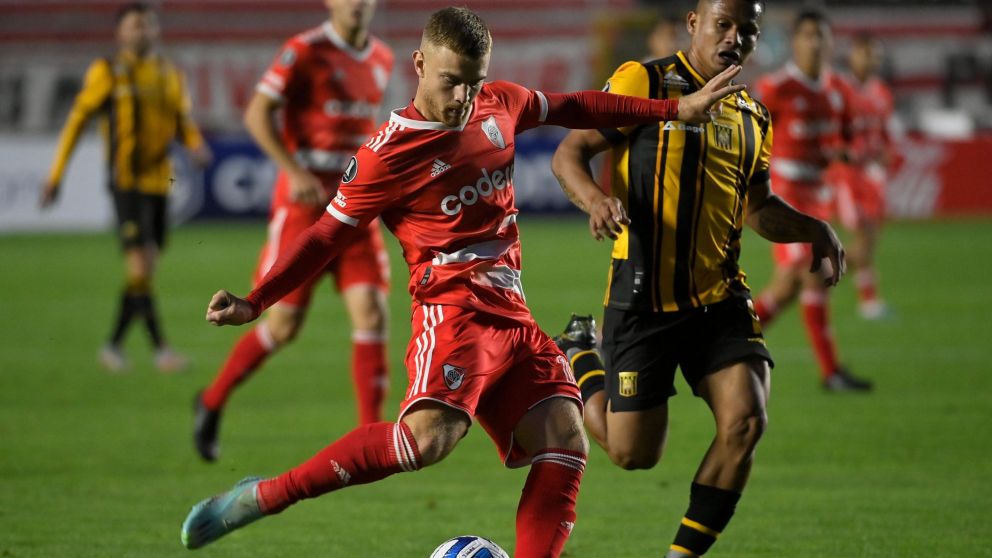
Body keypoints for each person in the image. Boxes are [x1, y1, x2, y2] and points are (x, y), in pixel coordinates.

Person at [179, 7, 744, 555]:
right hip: (453, 313)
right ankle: (266, 496)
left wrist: (673, 109)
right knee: (426, 442)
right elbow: (326, 235)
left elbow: (574, 105)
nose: (462, 98)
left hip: (513, 316)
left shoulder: (498, 104)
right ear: (419, 64)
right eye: (451, 82)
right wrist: (256, 301)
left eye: (473, 82)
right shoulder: (387, 154)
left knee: (566, 440)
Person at [551, 0, 847, 556]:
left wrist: (813, 227)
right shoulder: (645, 82)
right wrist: (595, 200)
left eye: (747, 30)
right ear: (695, 24)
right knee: (633, 453)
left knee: (746, 422)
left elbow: (758, 208)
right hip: (644, 297)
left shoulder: (753, 117)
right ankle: (579, 354)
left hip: (719, 298)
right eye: (723, 24)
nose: (735, 38)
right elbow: (571, 152)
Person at [191, 0, 394, 462]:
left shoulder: (382, 57)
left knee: (372, 313)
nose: (357, 3)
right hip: (304, 206)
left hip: (355, 203)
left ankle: (370, 440)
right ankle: (212, 400)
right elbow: (256, 113)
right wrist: (293, 169)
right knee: (282, 326)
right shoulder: (305, 50)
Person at [40, 2, 211, 373]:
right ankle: (161, 350)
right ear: (120, 33)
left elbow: (181, 120)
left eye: (148, 25)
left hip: (160, 183)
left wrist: (195, 144)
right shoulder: (107, 71)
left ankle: (113, 346)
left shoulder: (169, 72)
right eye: (135, 25)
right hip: (126, 182)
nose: (143, 31)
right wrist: (56, 175)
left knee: (144, 272)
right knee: (139, 266)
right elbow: (76, 123)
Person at [750, 9, 872, 391]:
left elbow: (850, 137)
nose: (815, 43)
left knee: (792, 286)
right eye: (807, 35)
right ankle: (830, 372)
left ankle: (727, 343)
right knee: (807, 272)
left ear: (831, 42)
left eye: (821, 35)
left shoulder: (839, 89)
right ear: (794, 42)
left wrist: (847, 152)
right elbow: (749, 136)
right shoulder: (776, 88)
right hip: (783, 192)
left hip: (819, 194)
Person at [829, 33, 894, 320]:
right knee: (863, 238)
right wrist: (840, 151)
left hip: (872, 175)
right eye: (864, 53)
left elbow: (884, 131)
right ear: (852, 55)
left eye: (874, 55)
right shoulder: (840, 89)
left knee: (870, 240)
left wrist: (886, 152)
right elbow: (830, 128)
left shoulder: (882, 92)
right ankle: (818, 277)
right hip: (849, 175)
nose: (869, 60)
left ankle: (864, 298)